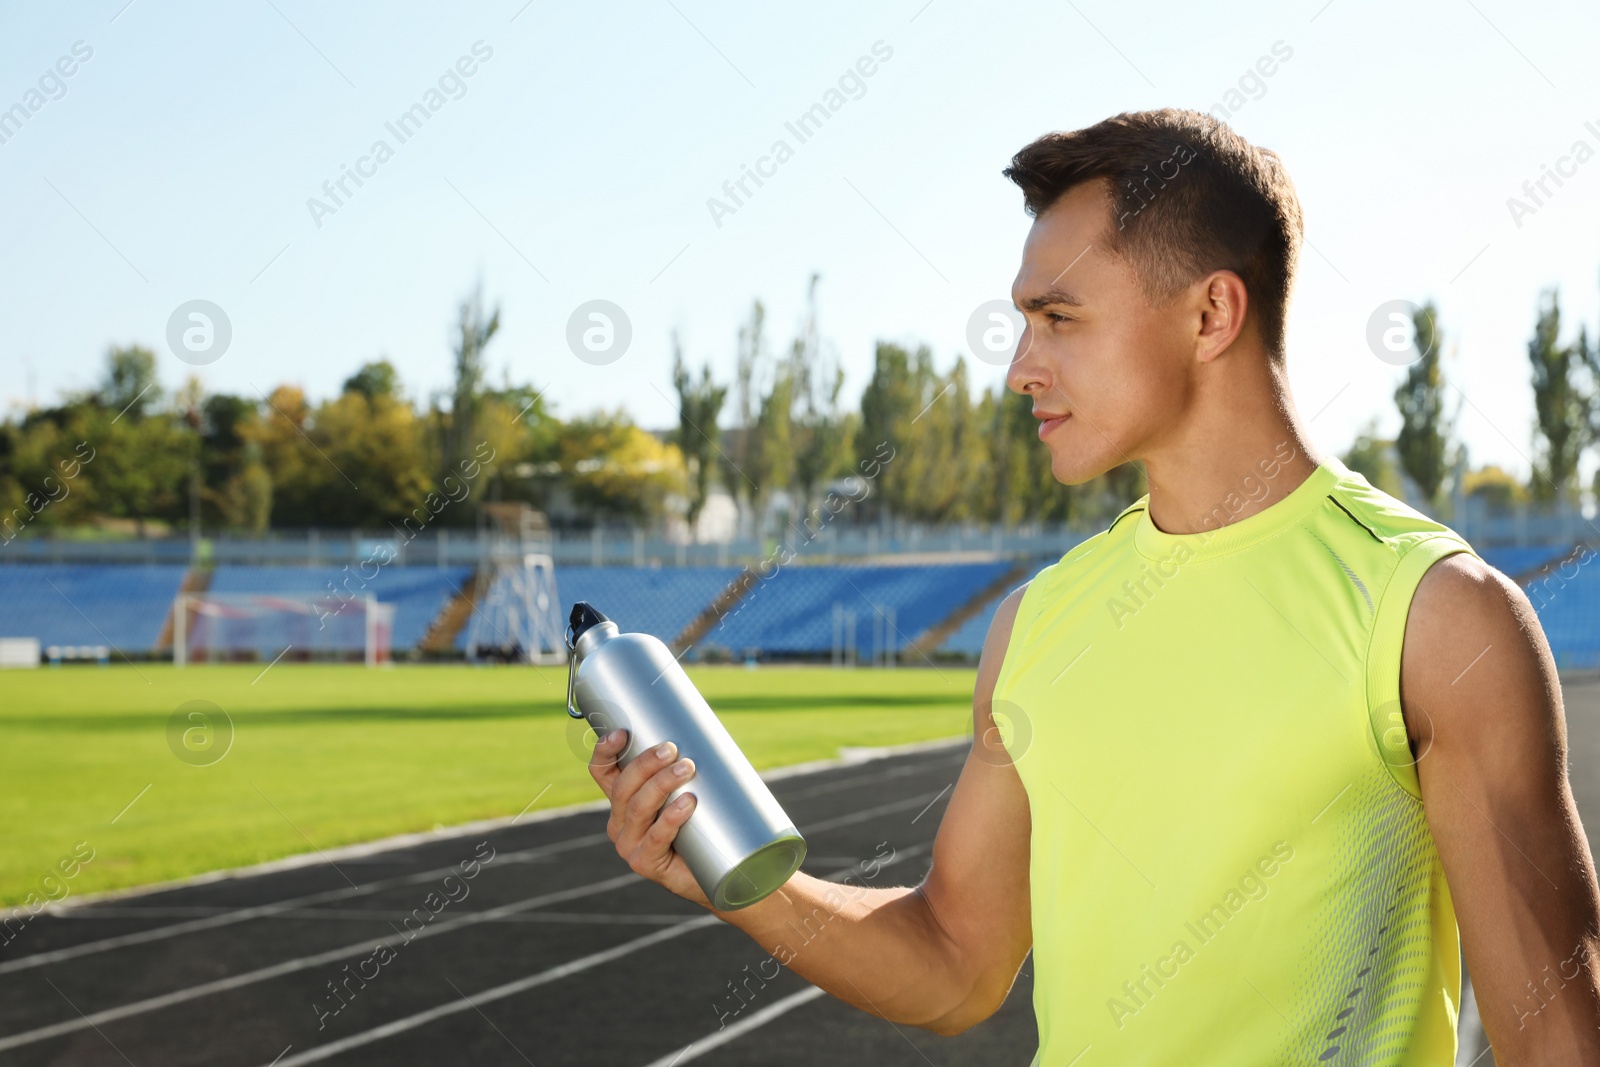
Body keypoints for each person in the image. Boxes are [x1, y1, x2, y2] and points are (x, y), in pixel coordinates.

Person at [587, 108, 1600, 1064]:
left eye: (1057, 316)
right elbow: (953, 963)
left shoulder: (1432, 614)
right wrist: (734, 878)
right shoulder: (1037, 621)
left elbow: (1556, 1040)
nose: (1021, 366)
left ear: (1210, 312)